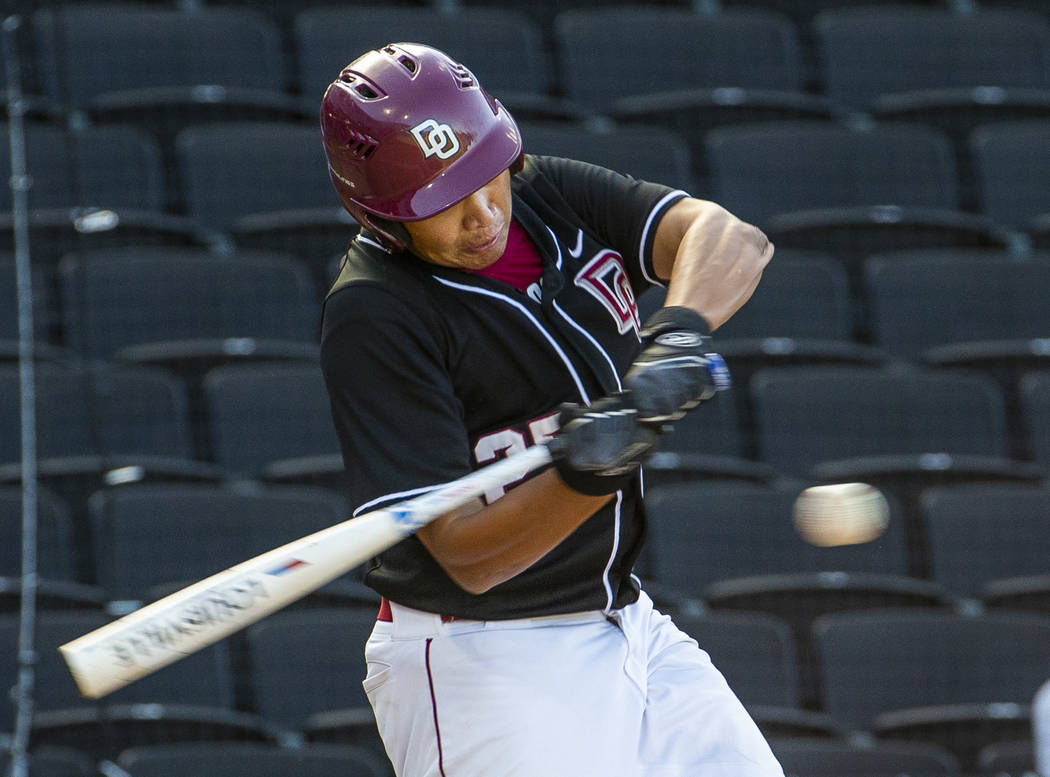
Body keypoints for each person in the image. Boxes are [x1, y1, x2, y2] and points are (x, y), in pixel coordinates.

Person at [319, 42, 783, 777]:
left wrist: (678, 338)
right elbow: (465, 555)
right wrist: (590, 470)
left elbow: (729, 238)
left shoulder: (551, 195)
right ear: (382, 217)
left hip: (625, 621)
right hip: (482, 654)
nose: (480, 214)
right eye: (441, 201)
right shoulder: (374, 314)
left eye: (482, 175)